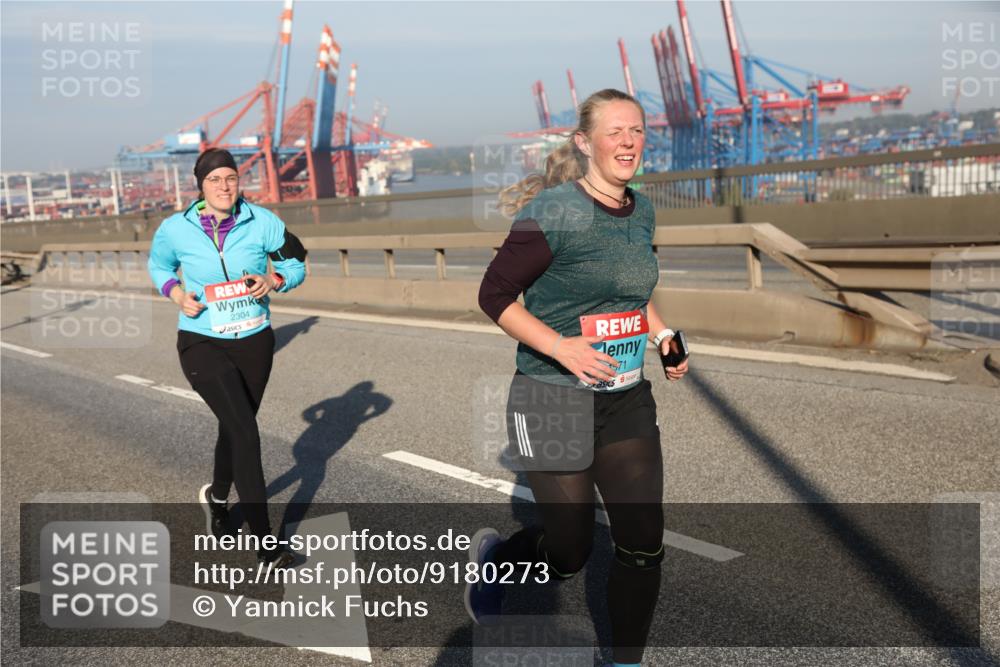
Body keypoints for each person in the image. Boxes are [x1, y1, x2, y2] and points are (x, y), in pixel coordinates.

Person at [470, 89, 689, 666]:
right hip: (550, 397)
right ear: (585, 143)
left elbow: (630, 295)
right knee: (568, 554)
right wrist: (561, 347)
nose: (628, 142)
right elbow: (493, 295)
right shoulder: (553, 212)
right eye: (615, 132)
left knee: (643, 543)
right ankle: (500, 560)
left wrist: (662, 336)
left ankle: (623, 662)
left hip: (624, 399)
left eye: (637, 131)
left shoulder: (642, 210)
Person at [148, 148, 307, 567]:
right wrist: (178, 294)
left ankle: (217, 498)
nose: (224, 186)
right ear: (201, 185)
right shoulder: (175, 229)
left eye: (231, 178)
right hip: (202, 341)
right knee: (246, 430)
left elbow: (298, 261)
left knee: (235, 427)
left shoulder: (263, 221)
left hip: (254, 340)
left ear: (239, 182)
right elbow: (159, 266)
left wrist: (274, 278)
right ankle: (265, 542)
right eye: (215, 179)